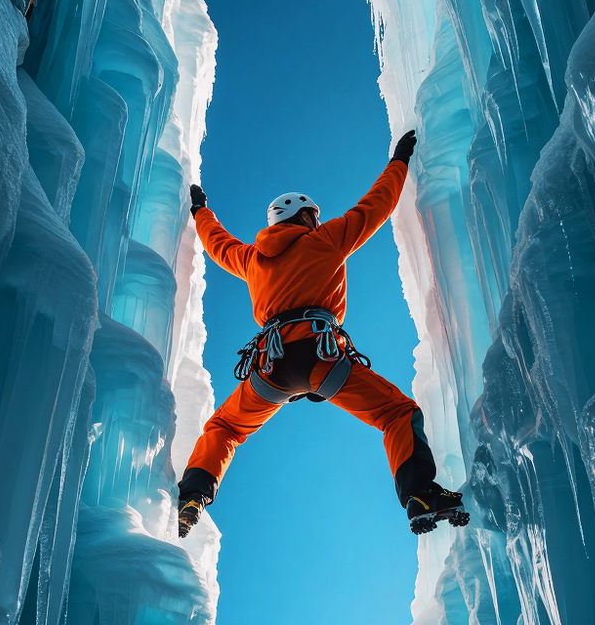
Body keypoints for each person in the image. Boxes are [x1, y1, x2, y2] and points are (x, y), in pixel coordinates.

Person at [177, 130, 468, 537]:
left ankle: (193, 493)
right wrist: (399, 161)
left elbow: (217, 243)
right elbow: (376, 204)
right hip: (322, 358)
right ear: (304, 217)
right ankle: (419, 495)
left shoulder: (252, 259)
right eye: (312, 216)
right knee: (397, 414)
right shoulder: (326, 239)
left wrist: (200, 211)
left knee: (225, 428)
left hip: (271, 367)